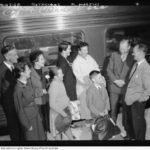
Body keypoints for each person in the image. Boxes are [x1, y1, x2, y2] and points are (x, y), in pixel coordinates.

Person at [13, 58, 46, 140]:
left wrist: (39, 115)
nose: (30, 71)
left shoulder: (27, 83)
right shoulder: (18, 89)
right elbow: (19, 109)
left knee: (41, 137)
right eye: (28, 70)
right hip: (28, 119)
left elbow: (32, 97)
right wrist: (27, 125)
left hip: (36, 115)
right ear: (21, 73)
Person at [123, 43, 150, 140]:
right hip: (129, 98)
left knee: (138, 123)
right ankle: (131, 136)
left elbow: (148, 89)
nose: (132, 54)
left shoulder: (146, 68)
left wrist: (140, 99)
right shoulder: (135, 64)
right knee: (129, 120)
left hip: (137, 101)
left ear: (140, 53)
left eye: (134, 52)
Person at [72, 41, 106, 120]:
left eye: (87, 50)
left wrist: (97, 77)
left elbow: (96, 68)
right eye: (84, 50)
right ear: (79, 51)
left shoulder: (89, 57)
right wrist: (90, 80)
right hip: (84, 89)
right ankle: (89, 122)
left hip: (93, 85)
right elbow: (79, 77)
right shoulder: (76, 62)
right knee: (86, 108)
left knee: (95, 106)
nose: (86, 52)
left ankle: (96, 122)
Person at [107, 38, 134, 123]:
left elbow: (133, 72)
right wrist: (115, 81)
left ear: (129, 47)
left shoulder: (133, 57)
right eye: (120, 48)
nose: (121, 50)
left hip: (126, 88)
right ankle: (112, 127)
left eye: (123, 48)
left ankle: (127, 128)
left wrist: (124, 81)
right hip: (114, 87)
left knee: (126, 110)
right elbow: (109, 70)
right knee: (113, 109)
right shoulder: (114, 55)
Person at [0, 45, 23, 140]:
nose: (17, 56)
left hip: (17, 102)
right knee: (14, 129)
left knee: (20, 127)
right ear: (7, 56)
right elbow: (4, 91)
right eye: (15, 55)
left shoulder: (14, 67)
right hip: (10, 105)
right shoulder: (1, 71)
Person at [48, 67, 74, 140]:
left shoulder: (60, 81)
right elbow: (52, 104)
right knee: (57, 132)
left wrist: (69, 103)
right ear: (55, 76)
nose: (63, 74)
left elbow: (63, 96)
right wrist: (64, 114)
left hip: (64, 110)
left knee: (67, 127)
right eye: (61, 73)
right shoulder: (54, 85)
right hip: (58, 113)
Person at [57, 41, 80, 120]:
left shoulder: (63, 59)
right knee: (70, 110)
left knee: (71, 110)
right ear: (64, 50)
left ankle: (70, 124)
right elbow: (61, 79)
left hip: (70, 88)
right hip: (68, 90)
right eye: (69, 49)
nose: (70, 51)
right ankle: (69, 126)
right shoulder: (62, 62)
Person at [29, 50, 49, 138]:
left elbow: (48, 82)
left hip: (46, 100)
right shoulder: (29, 73)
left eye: (43, 58)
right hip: (37, 102)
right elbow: (28, 91)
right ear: (35, 61)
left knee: (46, 120)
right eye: (41, 59)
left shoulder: (45, 70)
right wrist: (41, 92)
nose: (44, 60)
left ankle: (46, 134)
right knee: (40, 122)